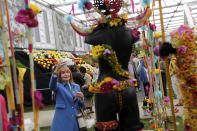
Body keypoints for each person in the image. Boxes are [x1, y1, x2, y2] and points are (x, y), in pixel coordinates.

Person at [49, 60, 84, 131]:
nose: (66, 74)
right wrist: (55, 71)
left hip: (75, 120)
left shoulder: (76, 86)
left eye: (67, 72)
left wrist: (82, 98)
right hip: (62, 120)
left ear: (70, 74)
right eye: (63, 73)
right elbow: (52, 86)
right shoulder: (58, 86)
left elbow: (81, 105)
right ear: (59, 75)